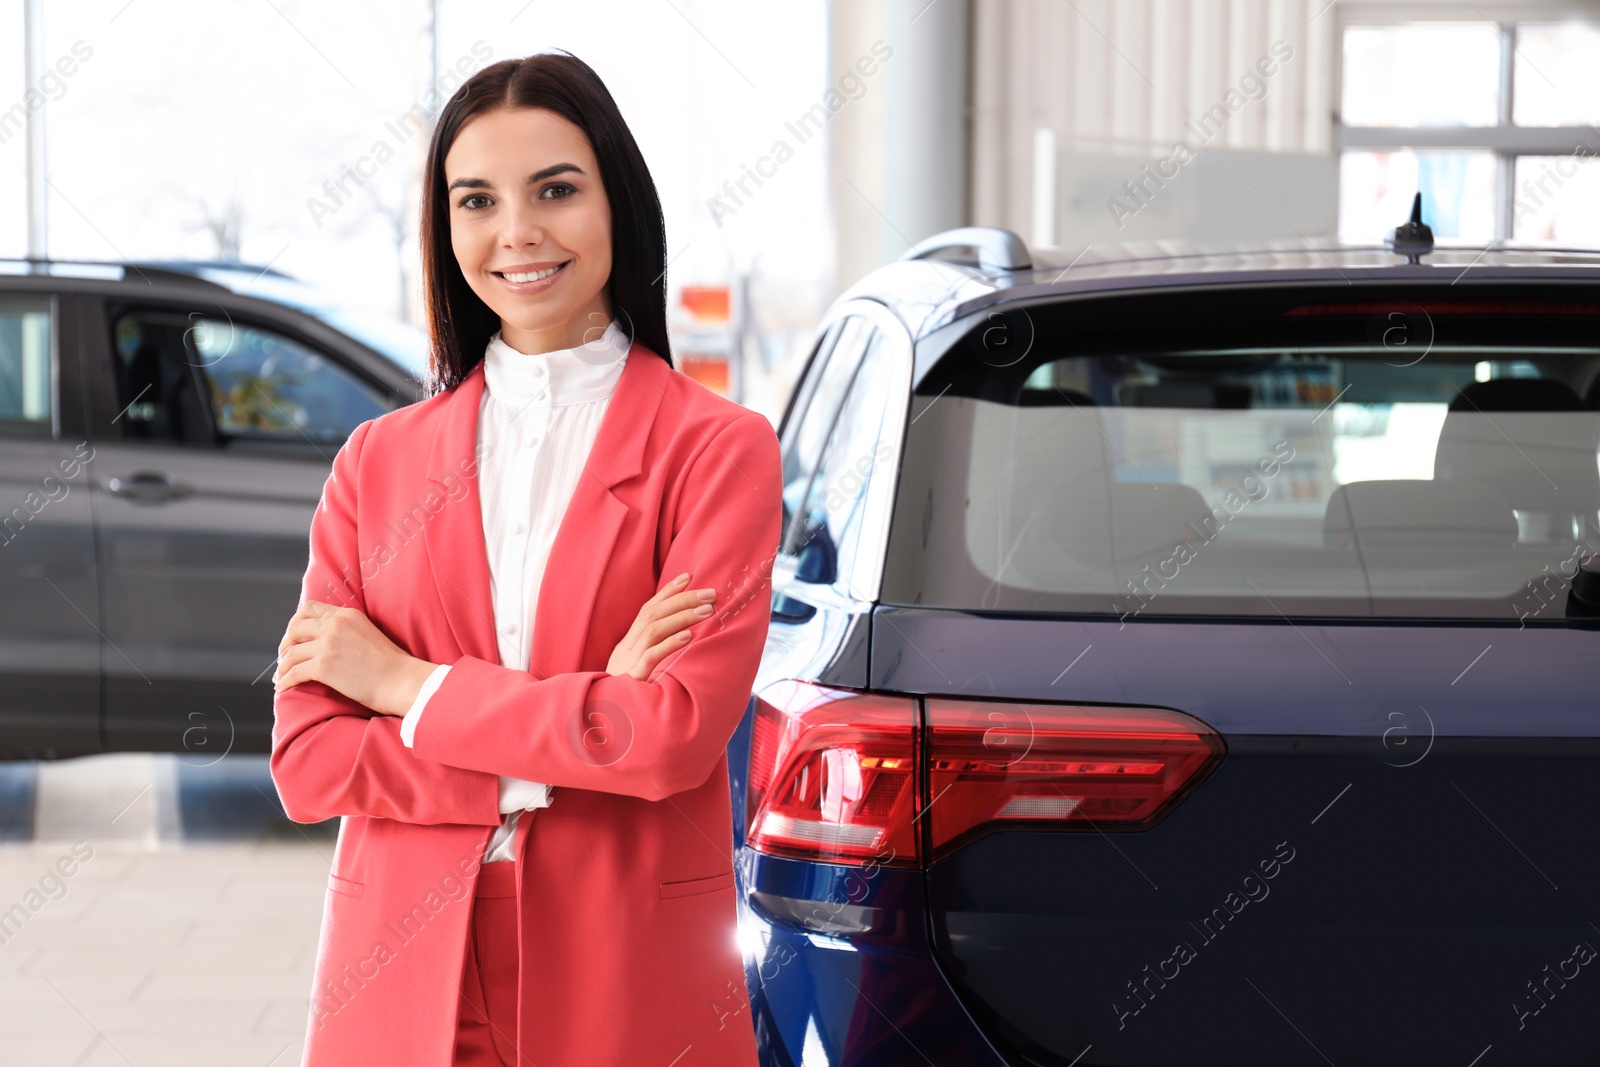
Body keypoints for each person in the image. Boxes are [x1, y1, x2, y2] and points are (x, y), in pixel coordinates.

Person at [269, 50, 777, 1067]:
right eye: (476, 200)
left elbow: (672, 736)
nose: (517, 233)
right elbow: (310, 760)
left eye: (555, 189)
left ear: (617, 203)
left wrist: (406, 683)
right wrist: (582, 721)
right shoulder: (377, 462)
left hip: (625, 967)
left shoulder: (717, 449)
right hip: (404, 971)